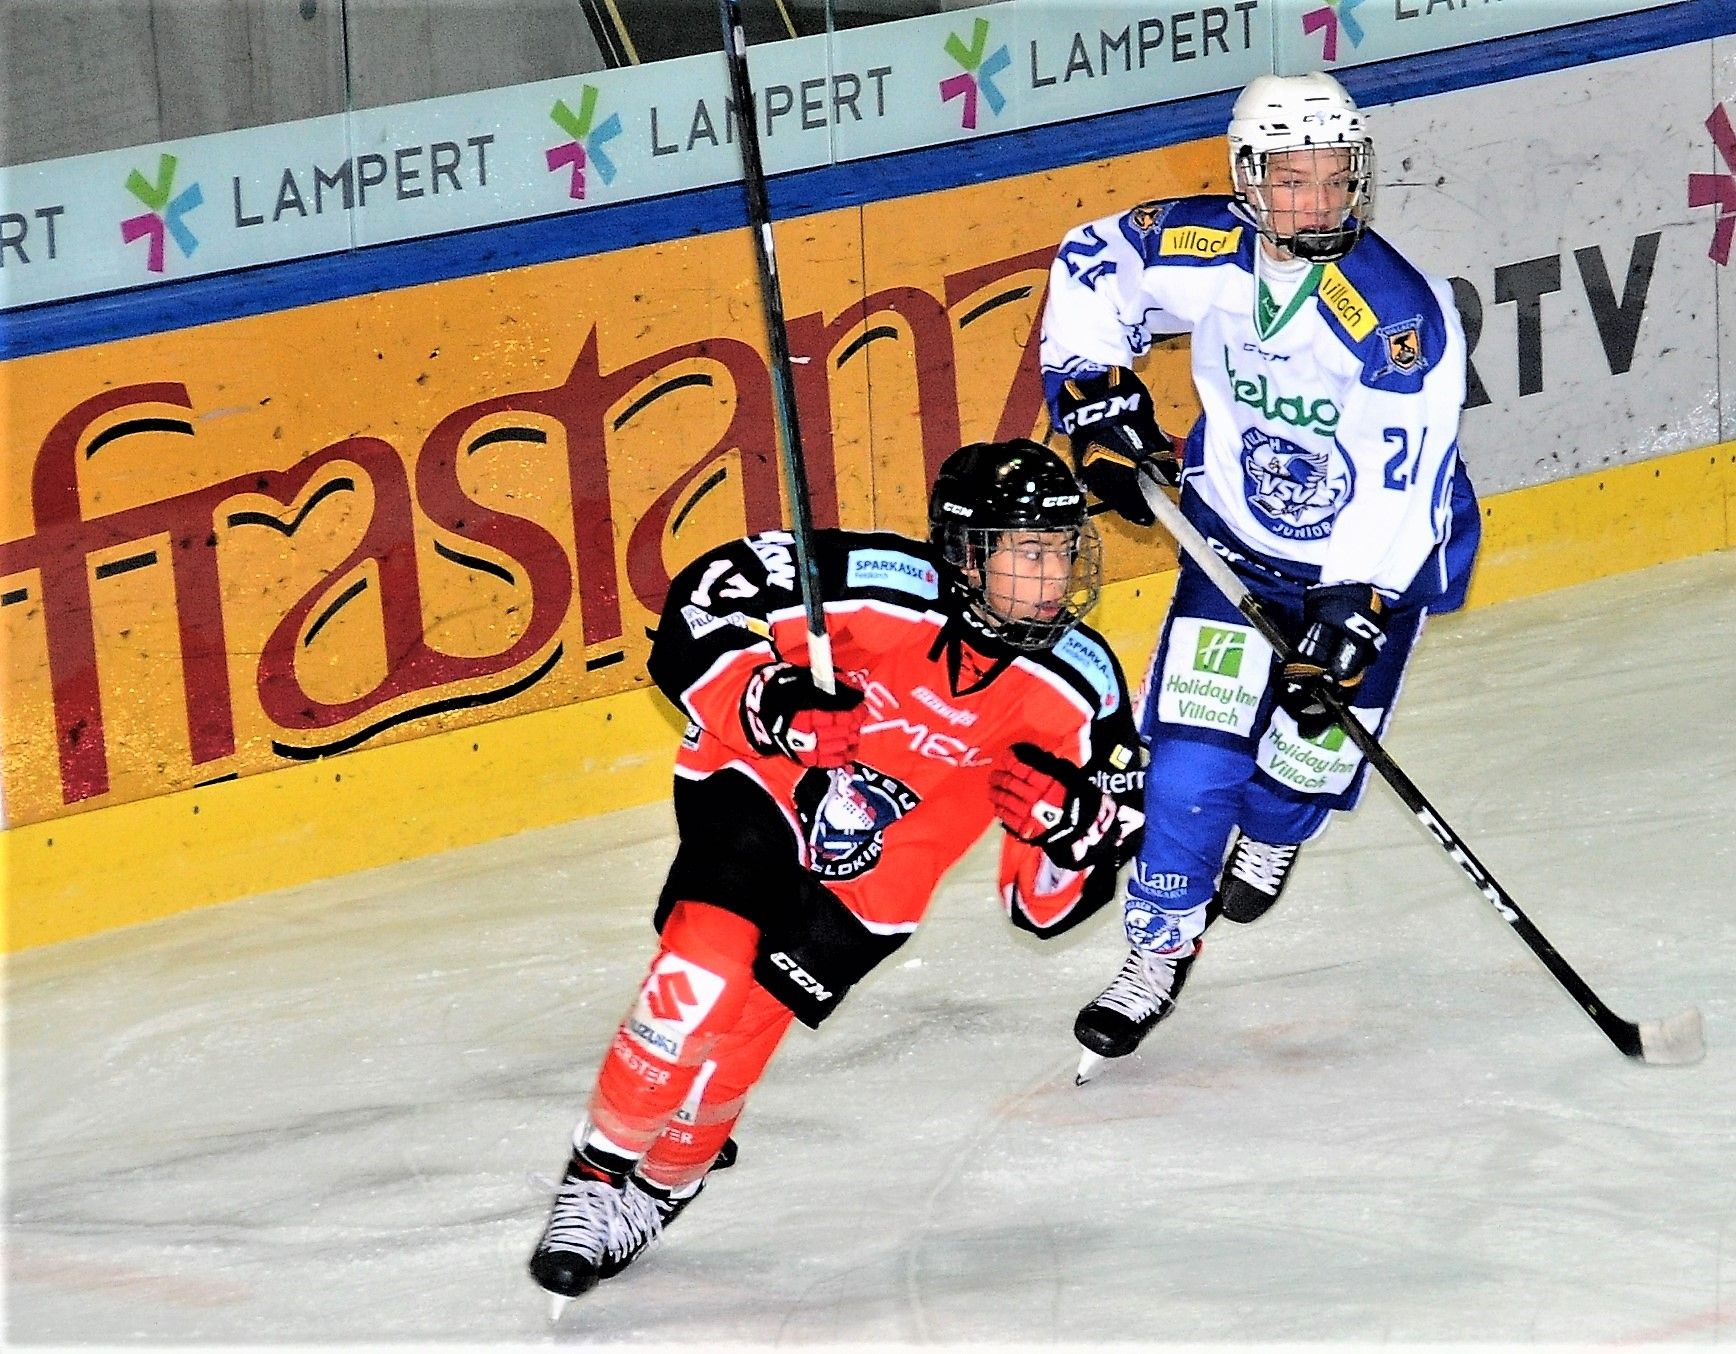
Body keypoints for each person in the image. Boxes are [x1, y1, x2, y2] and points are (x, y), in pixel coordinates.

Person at [526, 439, 1146, 1312]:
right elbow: (698, 605)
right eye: (1030, 552)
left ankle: (665, 1185)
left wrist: (1071, 830)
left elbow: (1049, 905)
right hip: (761, 790)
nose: (1056, 579)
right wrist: (770, 701)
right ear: (967, 554)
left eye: (1065, 552)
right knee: (704, 971)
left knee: (733, 1045)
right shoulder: (868, 581)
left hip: (874, 887)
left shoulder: (1080, 687)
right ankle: (595, 1175)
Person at [1038, 72, 1482, 1069]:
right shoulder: (1200, 247)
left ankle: (1276, 830)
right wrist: (1093, 391)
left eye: (1335, 178)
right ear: (1247, 179)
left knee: (1299, 764)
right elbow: (1091, 263)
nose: (1317, 202)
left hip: (1368, 563)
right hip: (1234, 541)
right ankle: (1156, 953)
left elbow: (1403, 482)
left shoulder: (1396, 318)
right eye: (1291, 179)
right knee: (1189, 766)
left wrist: (1356, 604)